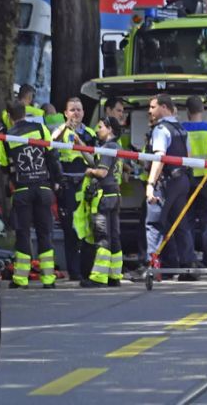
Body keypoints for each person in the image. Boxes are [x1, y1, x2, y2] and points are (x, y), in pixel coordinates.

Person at [0, 100, 61, 288]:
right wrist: (57, 181)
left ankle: (21, 279)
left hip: (23, 189)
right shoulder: (41, 130)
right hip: (43, 188)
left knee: (23, 233)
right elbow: (52, 156)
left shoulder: (7, 137)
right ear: (25, 113)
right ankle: (48, 279)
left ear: (9, 117)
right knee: (45, 233)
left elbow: (3, 166)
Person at [144, 94, 196, 280]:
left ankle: (154, 267)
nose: (149, 111)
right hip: (181, 181)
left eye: (152, 107)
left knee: (155, 223)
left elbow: (159, 158)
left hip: (165, 183)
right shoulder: (181, 129)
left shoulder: (161, 129)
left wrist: (150, 184)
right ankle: (187, 267)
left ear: (164, 107)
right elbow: (188, 157)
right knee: (180, 224)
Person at [51, 97, 95, 281]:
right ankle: (74, 271)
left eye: (79, 109)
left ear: (84, 112)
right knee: (70, 230)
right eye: (72, 110)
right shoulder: (59, 131)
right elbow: (51, 143)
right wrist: (65, 127)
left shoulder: (90, 133)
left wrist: (80, 144)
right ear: (65, 113)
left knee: (87, 229)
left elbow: (95, 161)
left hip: (85, 184)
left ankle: (87, 269)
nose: (76, 113)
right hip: (67, 185)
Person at [81, 117, 124, 287]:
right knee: (114, 235)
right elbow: (96, 161)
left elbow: (102, 172)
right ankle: (114, 276)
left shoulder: (108, 148)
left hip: (104, 197)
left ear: (110, 129)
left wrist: (90, 172)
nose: (97, 130)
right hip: (114, 196)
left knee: (103, 236)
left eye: (100, 127)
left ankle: (99, 277)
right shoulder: (116, 147)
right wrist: (80, 146)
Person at [182, 96, 207, 269]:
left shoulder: (182, 129)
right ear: (203, 110)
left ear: (187, 112)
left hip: (188, 179)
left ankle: (188, 258)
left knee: (188, 221)